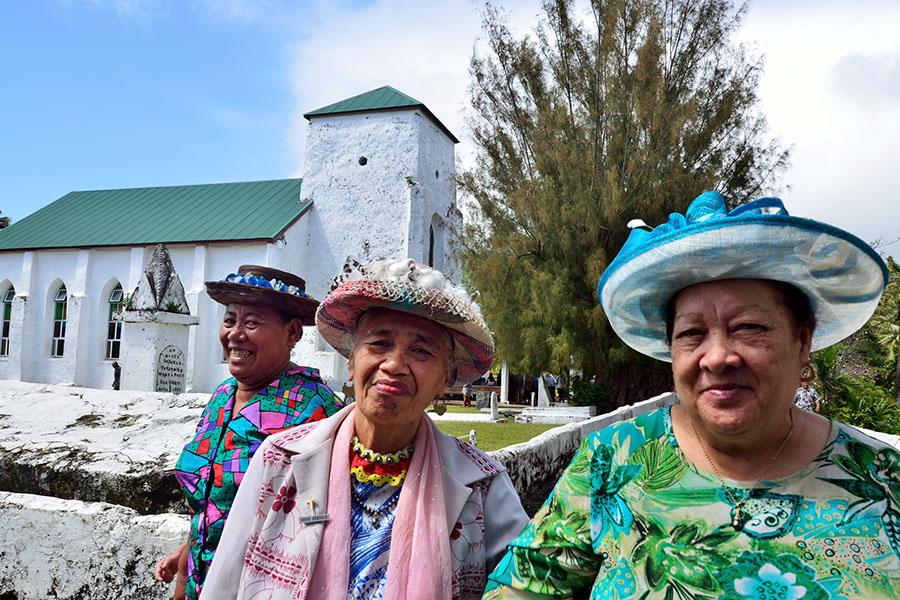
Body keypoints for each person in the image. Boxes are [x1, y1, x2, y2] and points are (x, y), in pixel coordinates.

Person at [485, 192, 900, 598]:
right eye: (691, 334)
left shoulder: (883, 480)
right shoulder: (614, 459)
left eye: (748, 328)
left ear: (802, 340)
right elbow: (522, 587)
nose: (717, 357)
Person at [201, 258, 529, 600]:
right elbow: (224, 583)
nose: (394, 364)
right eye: (378, 343)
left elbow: (528, 584)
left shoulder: (482, 483)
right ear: (351, 361)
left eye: (420, 350)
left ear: (444, 380)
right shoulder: (279, 460)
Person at [154, 265, 343, 600]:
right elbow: (213, 500)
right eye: (230, 320)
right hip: (201, 582)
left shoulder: (314, 409)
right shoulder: (222, 397)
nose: (235, 334)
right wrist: (186, 558)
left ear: (293, 332)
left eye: (252, 323)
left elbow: (320, 513)